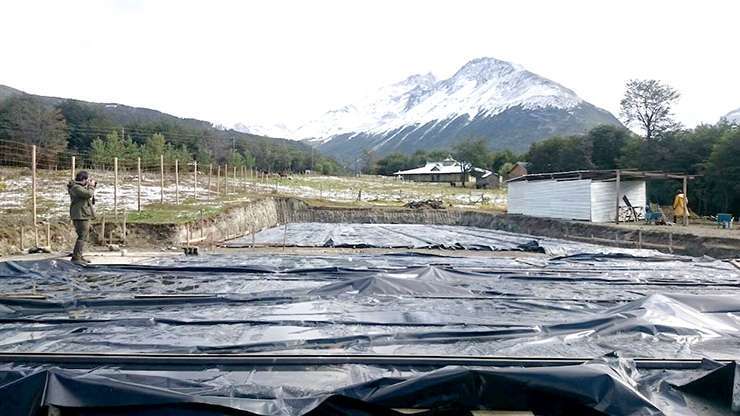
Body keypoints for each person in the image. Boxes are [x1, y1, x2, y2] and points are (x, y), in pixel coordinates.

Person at [68, 171, 96, 263]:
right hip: (80, 215)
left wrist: (89, 187)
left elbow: (86, 194)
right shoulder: (76, 188)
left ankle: (79, 255)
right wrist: (91, 186)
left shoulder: (77, 187)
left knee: (83, 236)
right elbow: (88, 194)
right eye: (87, 179)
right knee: (82, 236)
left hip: (82, 214)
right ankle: (76, 258)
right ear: (83, 179)